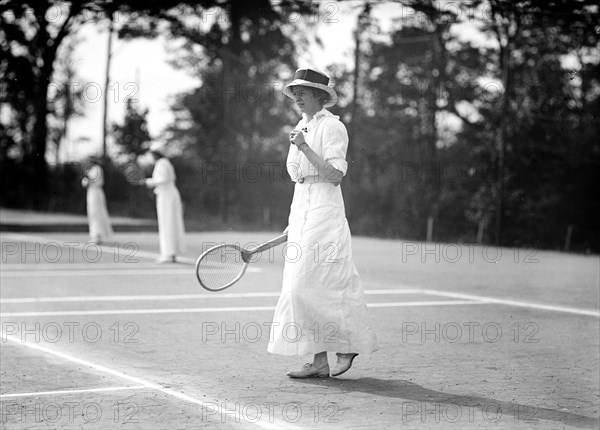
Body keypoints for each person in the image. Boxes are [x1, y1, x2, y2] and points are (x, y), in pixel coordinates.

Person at [268, 68, 378, 378]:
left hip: (326, 210)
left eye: (303, 91)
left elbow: (335, 176)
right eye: (295, 91)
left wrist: (304, 147)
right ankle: (318, 361)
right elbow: (296, 174)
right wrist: (296, 222)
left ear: (320, 96)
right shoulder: (301, 125)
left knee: (318, 283)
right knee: (297, 287)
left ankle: (347, 344)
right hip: (301, 206)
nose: (297, 96)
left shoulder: (333, 127)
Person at [145, 142, 186, 263]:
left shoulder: (162, 163)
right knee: (169, 223)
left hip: (167, 197)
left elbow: (163, 179)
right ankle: (170, 253)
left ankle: (169, 253)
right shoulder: (165, 163)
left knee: (167, 223)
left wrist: (148, 182)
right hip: (167, 195)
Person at [81, 156, 113, 244]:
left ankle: (97, 236)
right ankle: (94, 235)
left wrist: (88, 178)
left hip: (96, 192)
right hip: (91, 192)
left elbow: (97, 181)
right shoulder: (90, 170)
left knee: (96, 213)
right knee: (92, 213)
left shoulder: (97, 169)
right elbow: (84, 183)